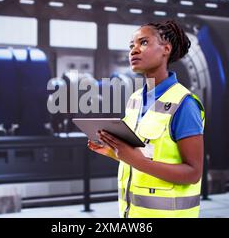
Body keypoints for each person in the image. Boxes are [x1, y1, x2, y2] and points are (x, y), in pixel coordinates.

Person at [87, 19, 205, 218]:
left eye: (143, 43)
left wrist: (137, 160)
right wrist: (114, 152)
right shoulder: (134, 100)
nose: (134, 50)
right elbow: (144, 154)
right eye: (131, 45)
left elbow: (193, 173)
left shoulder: (184, 104)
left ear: (166, 49)